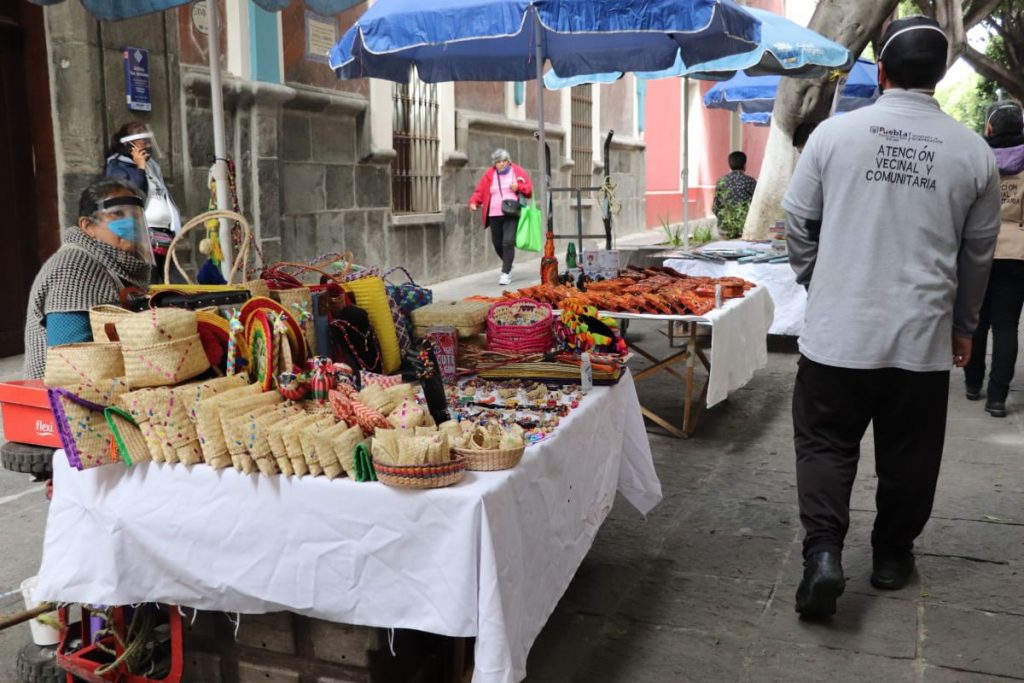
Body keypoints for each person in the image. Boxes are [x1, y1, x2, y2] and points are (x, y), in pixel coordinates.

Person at [782, 16, 1002, 618]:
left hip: (836, 336)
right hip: (921, 338)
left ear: (879, 71)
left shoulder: (833, 136)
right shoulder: (972, 153)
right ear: (941, 74)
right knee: (910, 451)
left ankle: (824, 554)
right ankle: (889, 556)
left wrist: (815, 278)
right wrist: (964, 326)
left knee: (825, 444)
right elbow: (976, 256)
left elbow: (797, 223)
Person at [24, 179, 153, 379]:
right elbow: (71, 361)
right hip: (66, 397)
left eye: (135, 214)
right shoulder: (73, 266)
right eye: (118, 213)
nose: (132, 222)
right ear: (88, 226)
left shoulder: (119, 264)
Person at [963, 100, 1024, 417]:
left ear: (989, 127)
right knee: (1006, 326)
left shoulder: (977, 158)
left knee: (976, 321)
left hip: (978, 250)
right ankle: (997, 398)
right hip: (1017, 254)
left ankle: (973, 384)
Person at [105, 122, 181, 282]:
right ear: (129, 144)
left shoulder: (152, 165)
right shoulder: (117, 166)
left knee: (170, 281)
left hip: (162, 235)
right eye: (143, 141)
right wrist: (139, 168)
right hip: (142, 237)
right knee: (150, 282)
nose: (148, 145)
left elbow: (162, 194)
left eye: (148, 141)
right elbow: (132, 197)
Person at [468, 148, 533, 286]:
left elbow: (529, 189)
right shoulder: (489, 174)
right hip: (494, 213)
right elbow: (480, 191)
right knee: (497, 243)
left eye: (504, 161)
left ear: (508, 161)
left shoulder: (517, 171)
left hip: (511, 212)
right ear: (494, 164)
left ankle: (505, 272)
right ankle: (508, 262)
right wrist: (474, 202)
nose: (501, 164)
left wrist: (518, 187)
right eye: (498, 162)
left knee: (508, 241)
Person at [712, 151, 757, 237]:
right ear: (744, 165)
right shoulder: (750, 181)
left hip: (724, 228)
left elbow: (715, 207)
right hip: (744, 227)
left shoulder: (721, 181)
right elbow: (755, 206)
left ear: (729, 164)